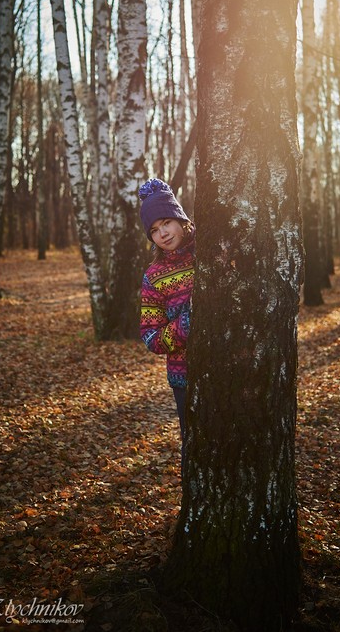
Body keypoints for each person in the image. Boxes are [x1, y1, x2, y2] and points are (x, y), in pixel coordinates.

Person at [139, 178, 195, 472]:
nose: (162, 233)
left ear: (179, 218)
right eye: (154, 230)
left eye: (166, 223)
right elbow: (150, 337)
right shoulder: (154, 276)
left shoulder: (211, 251)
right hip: (185, 376)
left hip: (230, 364)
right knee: (195, 444)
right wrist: (185, 325)